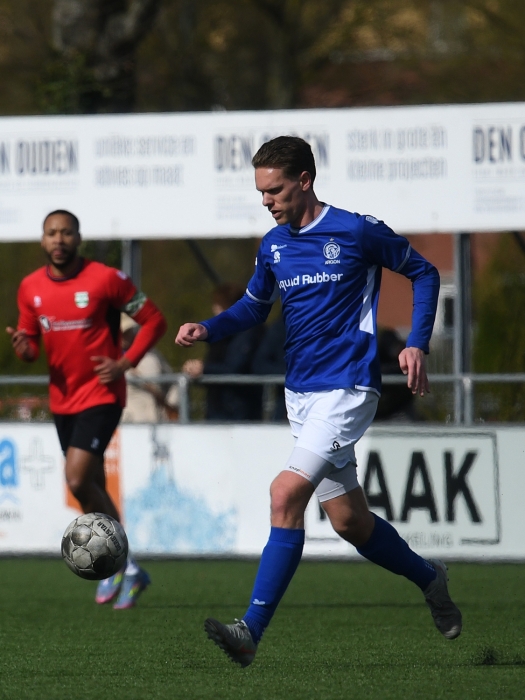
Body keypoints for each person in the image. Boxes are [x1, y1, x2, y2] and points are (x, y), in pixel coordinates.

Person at [176, 136, 462, 667]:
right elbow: (254, 308)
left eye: (275, 190)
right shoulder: (274, 245)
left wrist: (417, 342)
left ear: (304, 180)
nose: (267, 201)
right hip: (302, 395)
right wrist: (208, 328)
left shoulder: (355, 231)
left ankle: (250, 630)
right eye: (261, 193)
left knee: (284, 494)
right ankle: (430, 578)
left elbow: (423, 272)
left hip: (348, 387)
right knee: (350, 521)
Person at [7, 209, 167, 609]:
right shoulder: (29, 287)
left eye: (66, 232)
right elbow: (29, 345)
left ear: (78, 238)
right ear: (42, 240)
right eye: (52, 233)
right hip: (63, 401)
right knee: (90, 485)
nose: (59, 239)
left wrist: (125, 363)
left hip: (102, 395)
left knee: (77, 480)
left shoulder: (106, 279)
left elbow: (154, 321)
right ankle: (123, 565)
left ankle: (125, 566)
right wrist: (24, 348)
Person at [182, 283, 264, 421]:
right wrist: (199, 370)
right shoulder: (220, 335)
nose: (214, 310)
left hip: (239, 411)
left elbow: (235, 367)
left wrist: (204, 369)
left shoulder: (248, 332)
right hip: (218, 408)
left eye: (219, 306)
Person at [120, 314, 179, 423]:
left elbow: (173, 382)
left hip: (158, 421)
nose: (124, 336)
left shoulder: (152, 355)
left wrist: (172, 405)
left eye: (127, 331)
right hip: (129, 424)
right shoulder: (109, 360)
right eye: (121, 332)